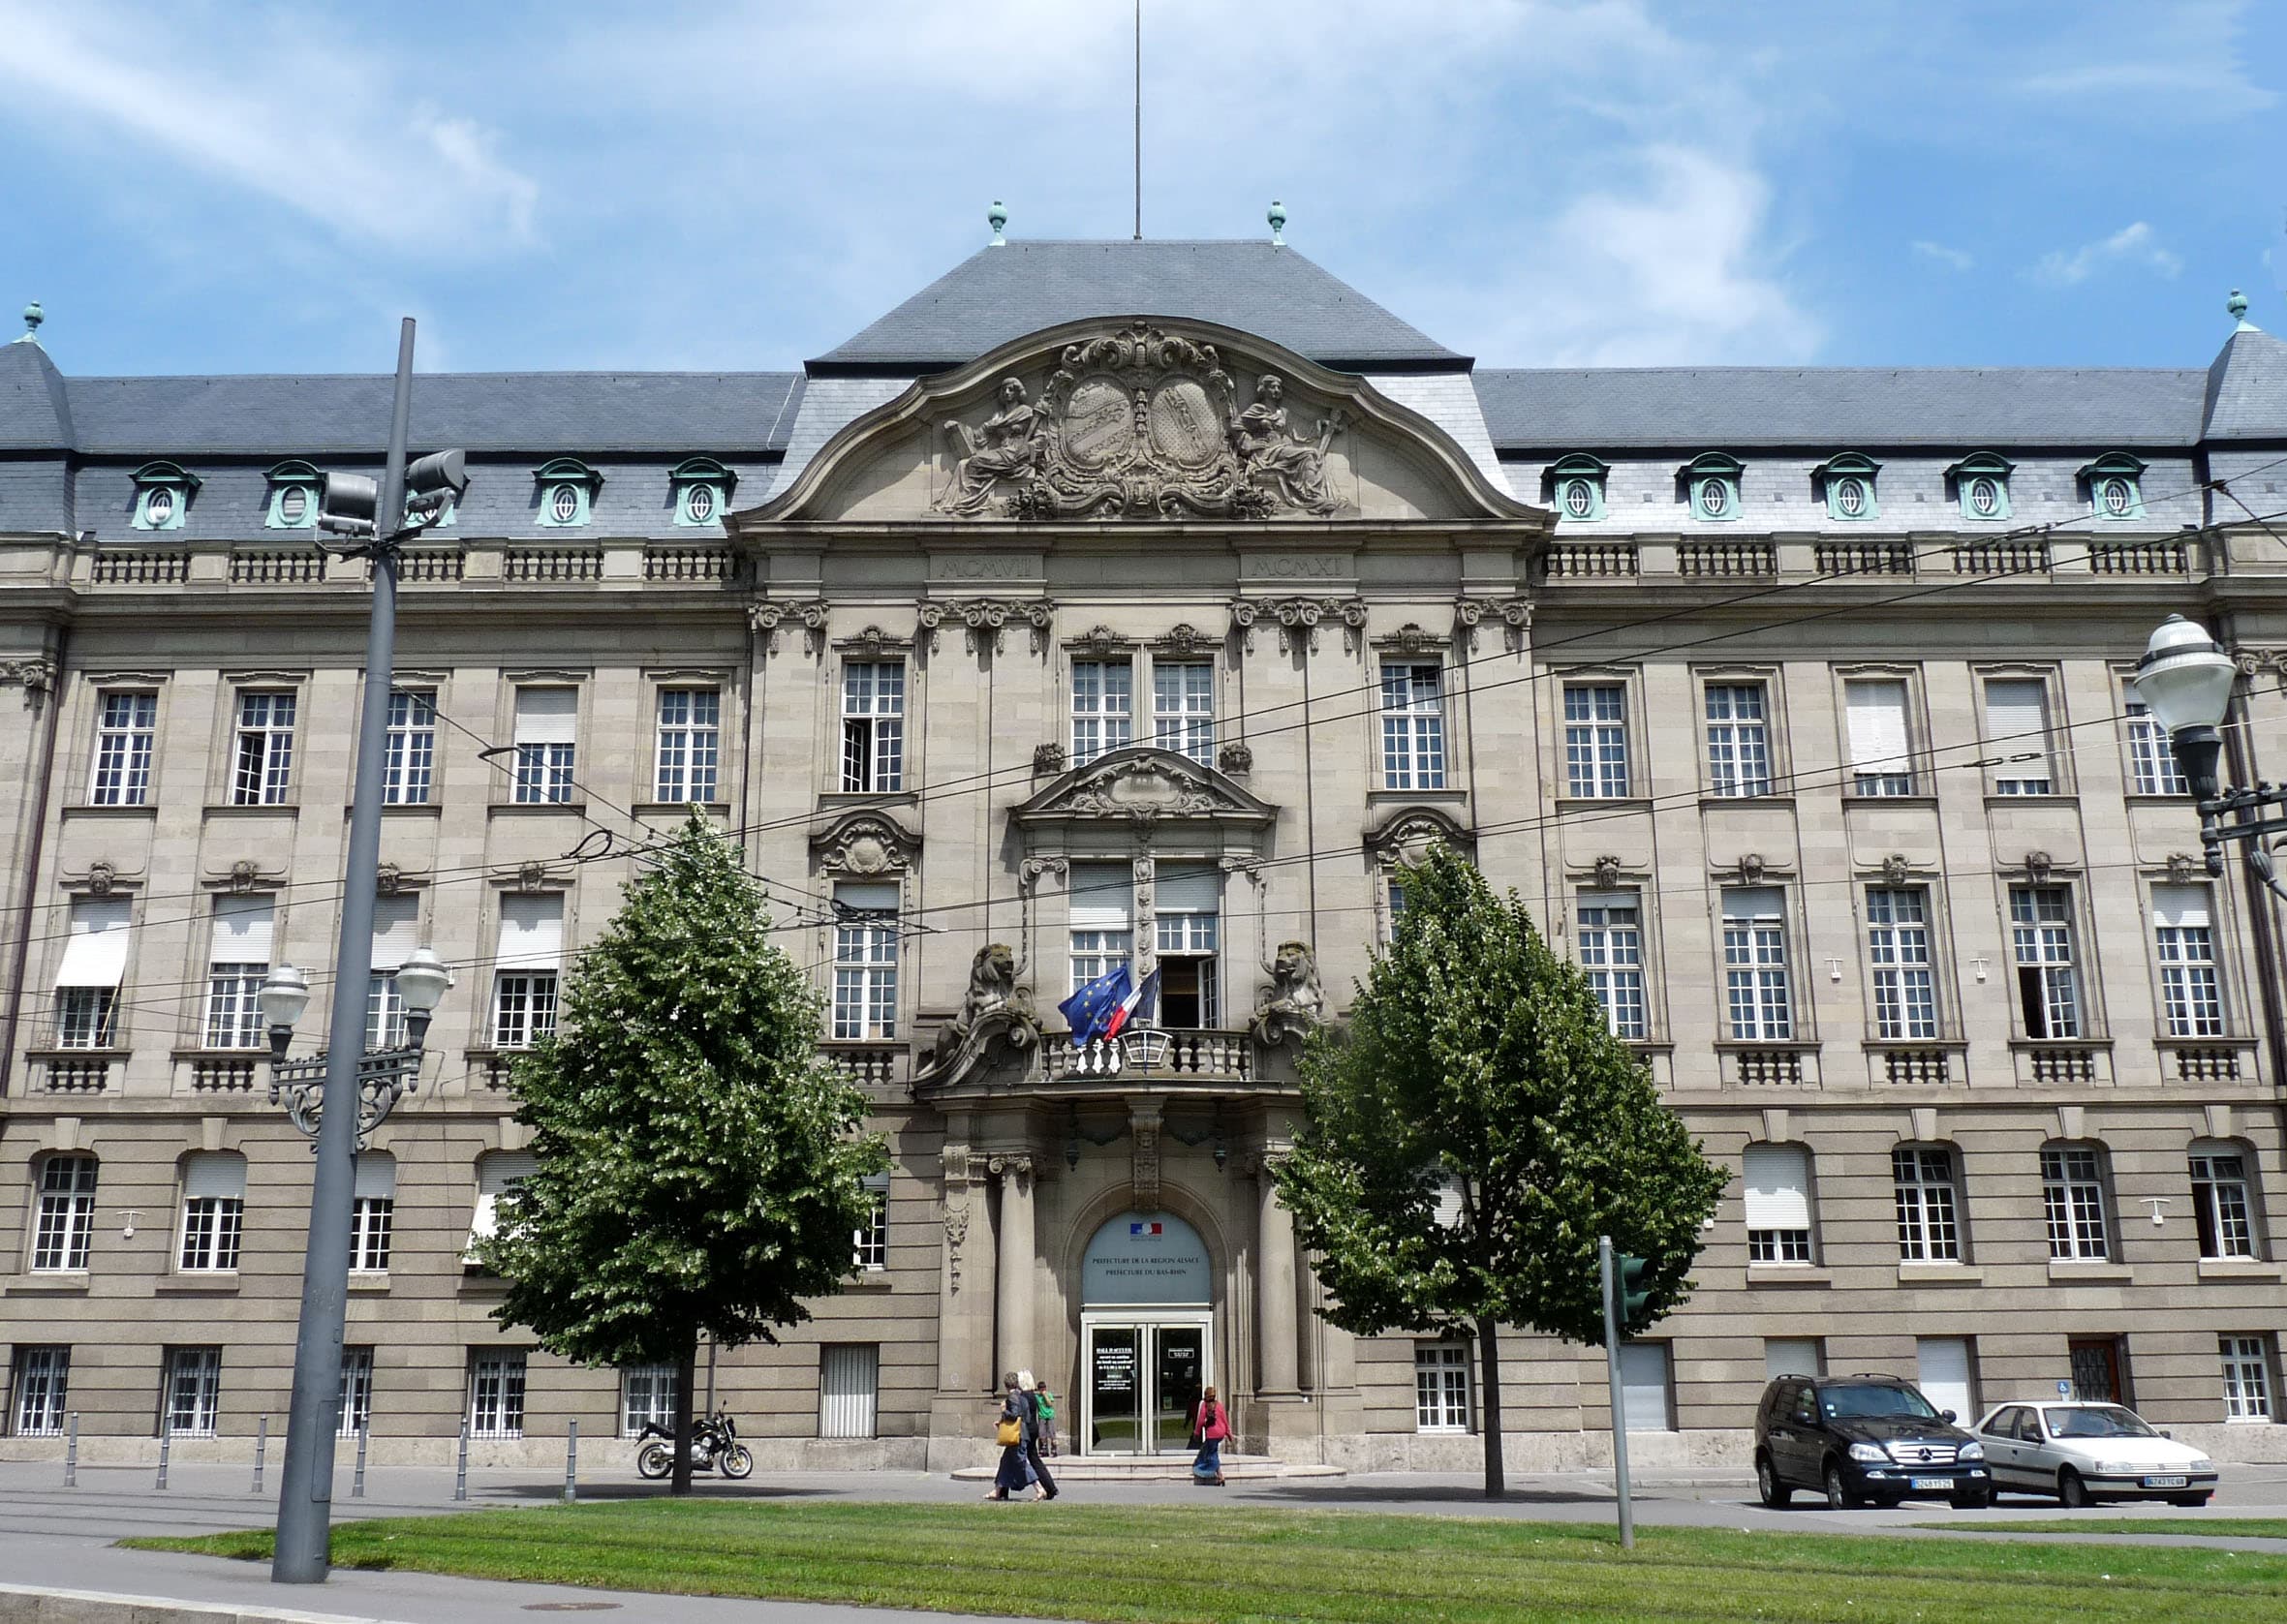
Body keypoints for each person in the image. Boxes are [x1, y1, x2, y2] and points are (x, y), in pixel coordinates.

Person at [986, 1371, 1043, 1501]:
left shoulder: (1012, 1397)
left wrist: (1003, 1411)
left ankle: (1039, 1488)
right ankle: (997, 1490)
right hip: (1022, 1434)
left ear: (1006, 1385)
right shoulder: (1022, 1397)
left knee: (1021, 1462)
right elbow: (1026, 1417)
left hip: (1017, 1436)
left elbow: (1014, 1415)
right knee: (1005, 1462)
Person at [1018, 1370, 1059, 1498]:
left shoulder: (1023, 1397)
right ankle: (1050, 1488)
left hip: (1025, 1431)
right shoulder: (1033, 1396)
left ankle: (1041, 1487)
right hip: (1033, 1428)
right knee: (1034, 1459)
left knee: (1016, 1458)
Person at [1191, 1384, 1229, 1486]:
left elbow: (1200, 1421)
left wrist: (1196, 1433)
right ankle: (1218, 1475)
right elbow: (1225, 1420)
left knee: (1212, 1454)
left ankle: (1219, 1476)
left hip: (1212, 1434)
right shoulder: (1219, 1405)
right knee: (1212, 1451)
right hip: (1220, 1433)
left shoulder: (1205, 1405)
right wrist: (1228, 1433)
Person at [1035, 1383, 1061, 1457]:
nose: (1043, 1389)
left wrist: (1045, 1395)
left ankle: (1054, 1449)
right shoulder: (1037, 1397)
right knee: (1041, 1433)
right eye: (1041, 1388)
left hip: (1050, 1415)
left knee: (1052, 1433)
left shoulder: (1049, 1395)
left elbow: (1049, 1404)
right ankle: (1043, 1450)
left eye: (1044, 1388)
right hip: (1042, 1416)